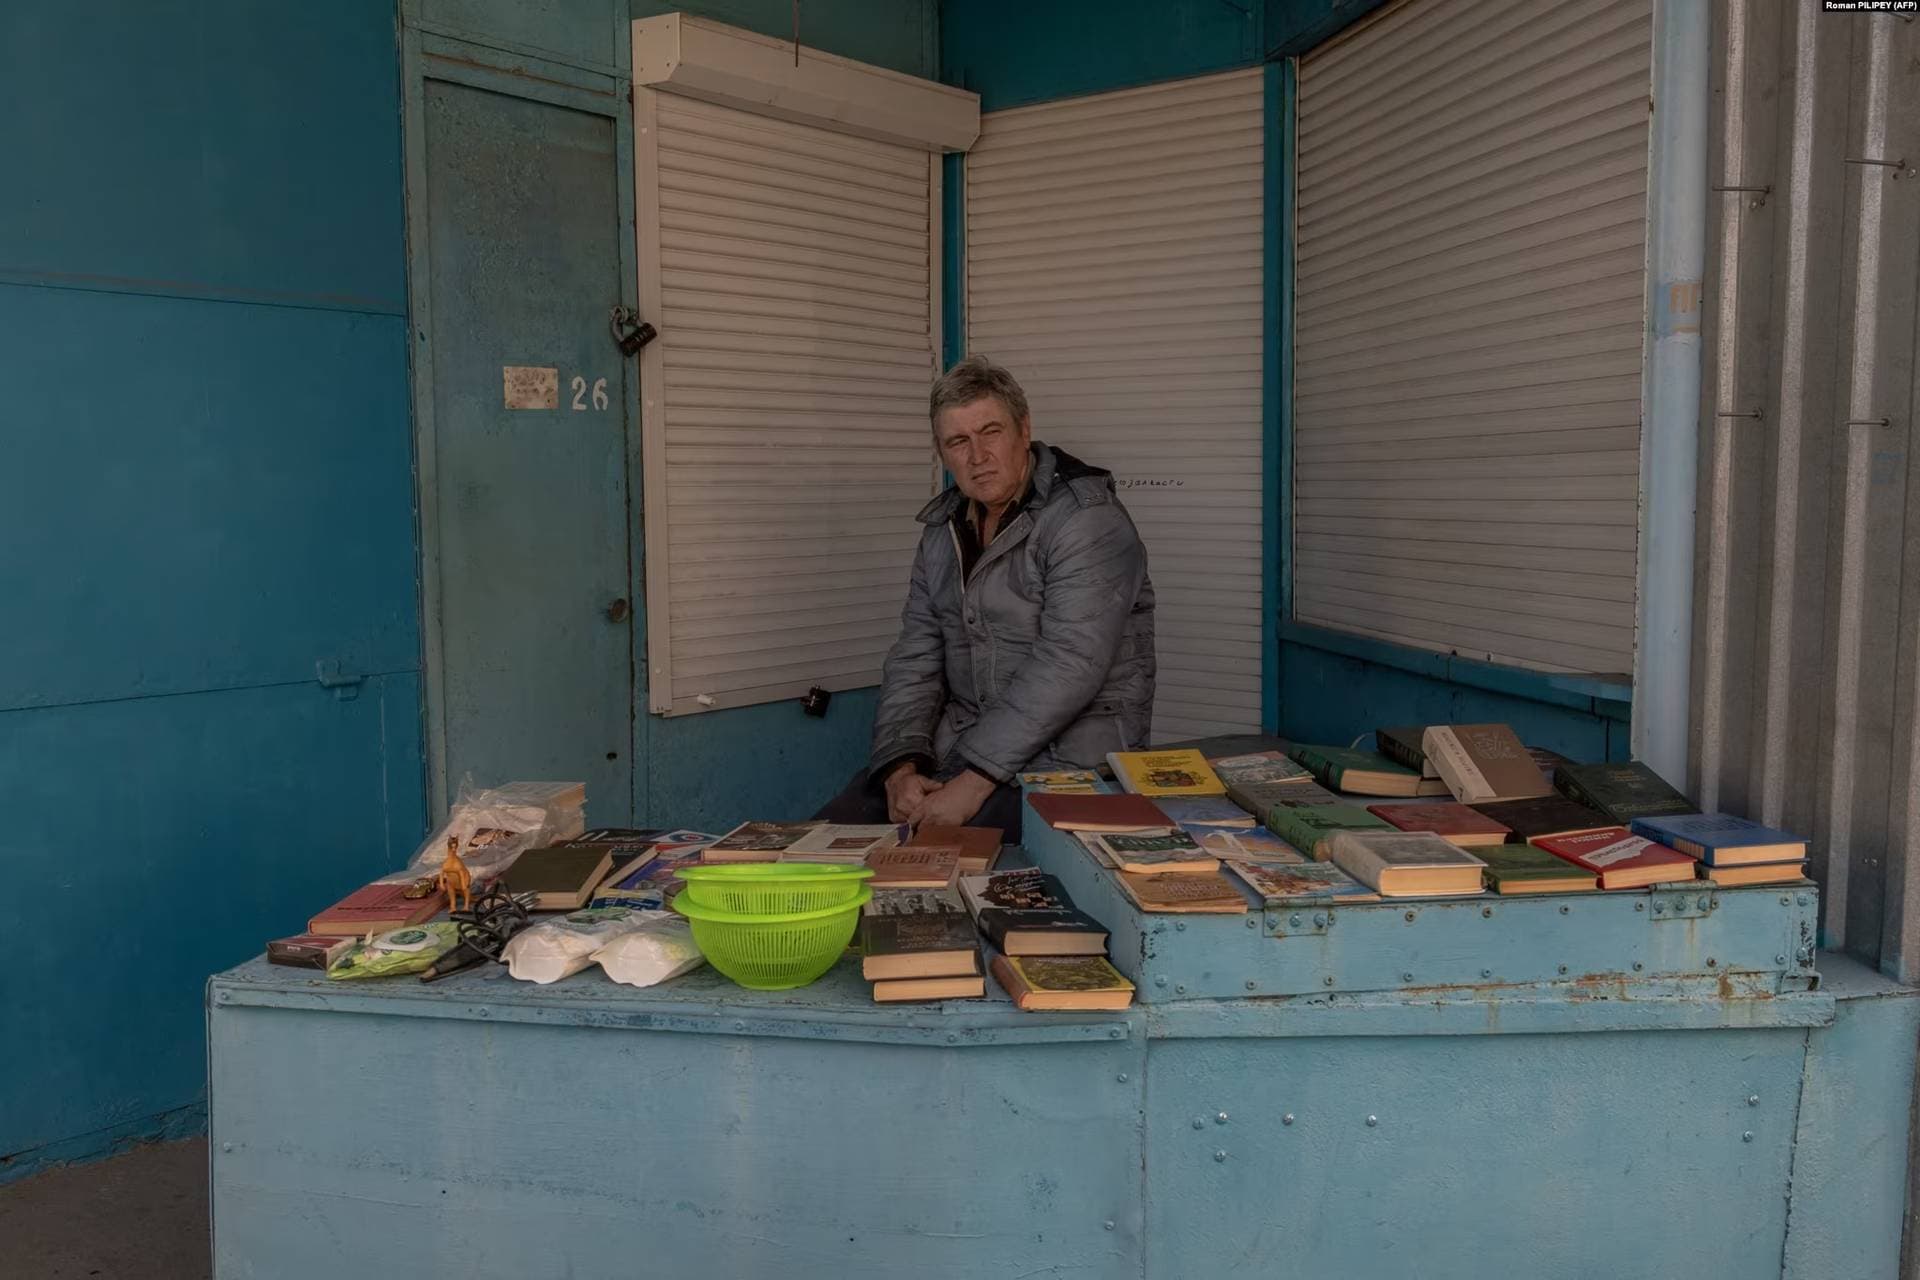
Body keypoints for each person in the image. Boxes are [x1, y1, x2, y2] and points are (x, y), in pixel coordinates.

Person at [815, 356, 1156, 841]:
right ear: (942, 452)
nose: (977, 456)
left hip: (1072, 765)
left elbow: (1069, 663)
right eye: (959, 441)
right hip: (965, 753)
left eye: (990, 432)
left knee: (943, 864)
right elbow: (916, 655)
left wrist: (975, 781)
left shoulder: (1088, 521)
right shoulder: (943, 532)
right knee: (820, 842)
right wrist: (901, 766)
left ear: (1024, 429)